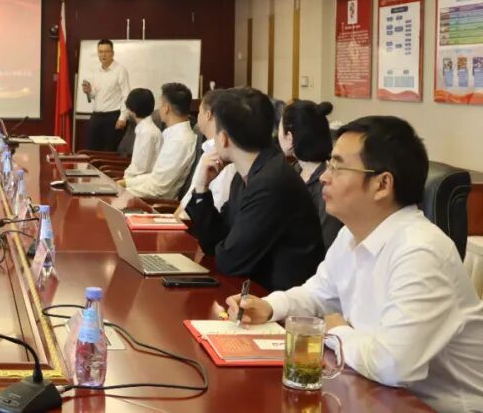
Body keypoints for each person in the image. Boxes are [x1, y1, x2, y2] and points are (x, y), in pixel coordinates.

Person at [229, 117, 483, 413]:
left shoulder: (421, 251)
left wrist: (337, 332)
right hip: (374, 393)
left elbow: (393, 365)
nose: (324, 177)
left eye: (338, 167)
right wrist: (270, 307)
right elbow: (317, 294)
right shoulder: (352, 233)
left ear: (382, 184)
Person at [185, 87, 323, 292]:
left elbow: (230, 260)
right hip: (251, 290)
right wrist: (201, 189)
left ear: (223, 138)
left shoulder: (271, 181)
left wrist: (222, 247)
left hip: (277, 300)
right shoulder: (247, 174)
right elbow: (216, 239)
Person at [278, 99, 341, 250]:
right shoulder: (293, 170)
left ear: (289, 138)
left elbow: (326, 242)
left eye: (279, 129)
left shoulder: (327, 184)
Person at [118, 83, 196, 200]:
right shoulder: (174, 135)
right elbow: (155, 177)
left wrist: (121, 192)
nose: (158, 109)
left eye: (160, 105)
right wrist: (126, 183)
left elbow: (158, 189)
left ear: (166, 108)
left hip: (155, 203)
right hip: (148, 195)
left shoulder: (179, 141)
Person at [176, 88, 236, 217]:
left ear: (208, 115)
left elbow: (217, 209)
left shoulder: (223, 158)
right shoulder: (207, 151)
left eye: (199, 111)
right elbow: (186, 202)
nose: (197, 116)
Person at [80, 39, 130, 151]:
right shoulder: (96, 71)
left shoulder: (120, 70)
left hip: (112, 117)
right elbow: (95, 95)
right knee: (91, 150)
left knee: (109, 151)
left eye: (106, 51)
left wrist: (123, 117)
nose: (103, 55)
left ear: (112, 53)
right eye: (100, 51)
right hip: (96, 116)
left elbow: (126, 95)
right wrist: (88, 92)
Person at [121, 88, 161, 181]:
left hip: (141, 182)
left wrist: (124, 180)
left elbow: (140, 169)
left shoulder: (147, 132)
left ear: (132, 109)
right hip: (137, 180)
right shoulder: (144, 128)